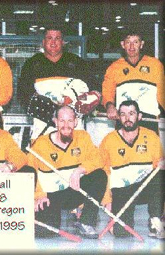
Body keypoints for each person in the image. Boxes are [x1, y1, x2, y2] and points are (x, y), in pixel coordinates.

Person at [28, 105, 107, 239]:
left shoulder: (83, 137)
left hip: (72, 192)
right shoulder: (41, 143)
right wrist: (38, 195)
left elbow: (99, 159)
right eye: (62, 121)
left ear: (76, 122)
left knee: (99, 175)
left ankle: (86, 222)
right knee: (46, 232)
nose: (66, 125)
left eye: (70, 121)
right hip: (50, 197)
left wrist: (79, 171)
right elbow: (30, 172)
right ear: (55, 121)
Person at [18, 26, 100, 142]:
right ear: (43, 42)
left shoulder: (77, 62)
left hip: (73, 130)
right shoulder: (32, 64)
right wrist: (54, 113)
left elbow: (95, 88)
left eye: (57, 38)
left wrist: (91, 98)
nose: (53, 42)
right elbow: (23, 95)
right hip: (43, 130)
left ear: (63, 42)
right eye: (49, 38)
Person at [99, 100, 164, 239]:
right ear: (118, 117)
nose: (127, 118)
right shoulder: (108, 140)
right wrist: (107, 201)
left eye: (131, 113)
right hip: (121, 192)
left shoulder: (152, 136)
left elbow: (158, 170)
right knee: (122, 234)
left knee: (160, 173)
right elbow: (103, 172)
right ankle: (118, 221)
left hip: (144, 188)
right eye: (122, 114)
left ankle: (155, 220)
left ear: (139, 116)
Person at [102, 30, 164, 133]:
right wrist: (110, 106)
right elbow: (107, 92)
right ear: (123, 44)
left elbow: (162, 93)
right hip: (124, 120)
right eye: (128, 42)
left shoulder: (155, 65)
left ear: (141, 44)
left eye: (135, 42)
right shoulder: (114, 67)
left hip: (148, 119)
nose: (131, 46)